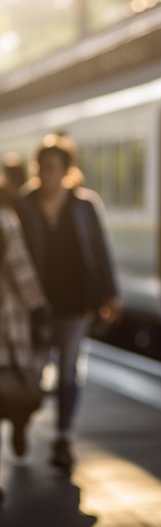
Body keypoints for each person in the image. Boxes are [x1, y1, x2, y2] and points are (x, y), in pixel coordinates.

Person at [16, 134, 120, 474]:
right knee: (30, 374)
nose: (47, 175)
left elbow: (100, 252)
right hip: (34, 306)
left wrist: (110, 294)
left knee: (68, 373)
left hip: (76, 303)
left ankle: (63, 438)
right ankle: (20, 422)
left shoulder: (84, 205)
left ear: (66, 170)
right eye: (42, 168)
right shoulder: (24, 204)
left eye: (53, 168)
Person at [0, 175, 49, 461]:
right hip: (10, 322)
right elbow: (23, 269)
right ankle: (19, 422)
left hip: (6, 321)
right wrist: (38, 308)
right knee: (16, 380)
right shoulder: (6, 218)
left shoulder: (5, 220)